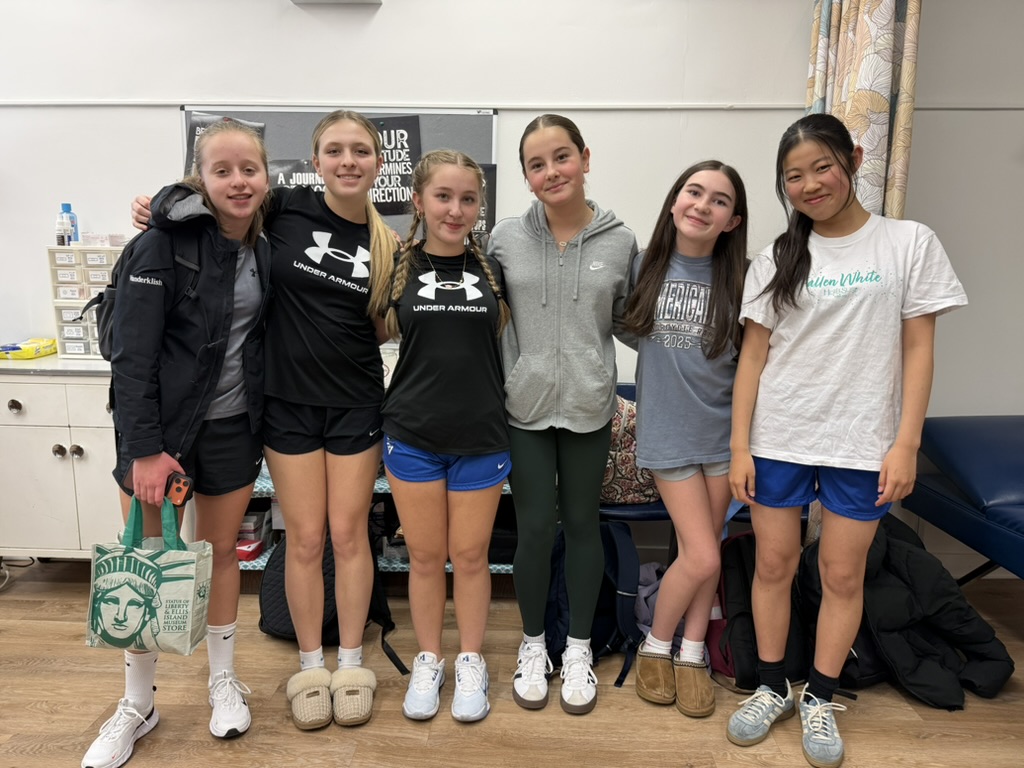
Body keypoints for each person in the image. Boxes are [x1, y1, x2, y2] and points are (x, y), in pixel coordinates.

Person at [130, 110, 396, 732]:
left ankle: (351, 663)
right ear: (316, 159)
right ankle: (309, 666)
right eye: (336, 149)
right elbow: (221, 201)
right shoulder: (287, 208)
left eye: (361, 150)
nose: (349, 160)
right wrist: (161, 208)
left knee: (350, 535)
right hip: (284, 403)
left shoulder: (390, 242)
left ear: (379, 163)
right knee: (303, 540)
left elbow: (388, 322)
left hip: (357, 401)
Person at [725, 113, 966, 768]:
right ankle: (772, 684)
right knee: (772, 565)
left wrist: (906, 442)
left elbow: (919, 348)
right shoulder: (779, 256)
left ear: (853, 159)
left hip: (863, 441)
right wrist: (740, 446)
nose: (809, 184)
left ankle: (821, 697)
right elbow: (752, 357)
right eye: (793, 176)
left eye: (821, 167)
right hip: (781, 435)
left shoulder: (908, 243)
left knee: (841, 571)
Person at [84, 119, 272, 768]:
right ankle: (137, 703)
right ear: (202, 177)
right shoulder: (160, 246)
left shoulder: (268, 242)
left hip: (231, 430)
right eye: (222, 170)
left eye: (249, 168)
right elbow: (131, 359)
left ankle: (224, 682)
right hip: (157, 439)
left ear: (267, 175)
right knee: (147, 561)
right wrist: (142, 451)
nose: (238, 181)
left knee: (221, 554)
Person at [487, 114, 638, 715]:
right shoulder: (503, 239)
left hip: (588, 405)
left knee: (581, 524)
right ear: (526, 176)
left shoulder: (621, 241)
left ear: (584, 158)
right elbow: (485, 314)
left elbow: (631, 320)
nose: (551, 171)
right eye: (536, 163)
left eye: (561, 157)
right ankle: (532, 644)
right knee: (532, 529)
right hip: (523, 408)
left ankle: (576, 647)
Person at [380, 149, 511, 723]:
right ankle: (430, 658)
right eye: (443, 196)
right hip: (412, 432)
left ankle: (472, 660)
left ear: (479, 206)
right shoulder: (396, 264)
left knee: (472, 556)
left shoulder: (494, 269)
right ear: (419, 200)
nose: (455, 210)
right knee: (427, 558)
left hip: (482, 433)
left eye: (467, 199)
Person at [623, 160, 748, 718]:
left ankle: (692, 652)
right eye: (693, 192)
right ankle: (656, 646)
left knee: (710, 550)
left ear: (732, 220)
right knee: (698, 554)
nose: (702, 205)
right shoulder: (640, 270)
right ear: (674, 202)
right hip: (667, 436)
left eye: (718, 200)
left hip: (724, 440)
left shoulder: (744, 279)